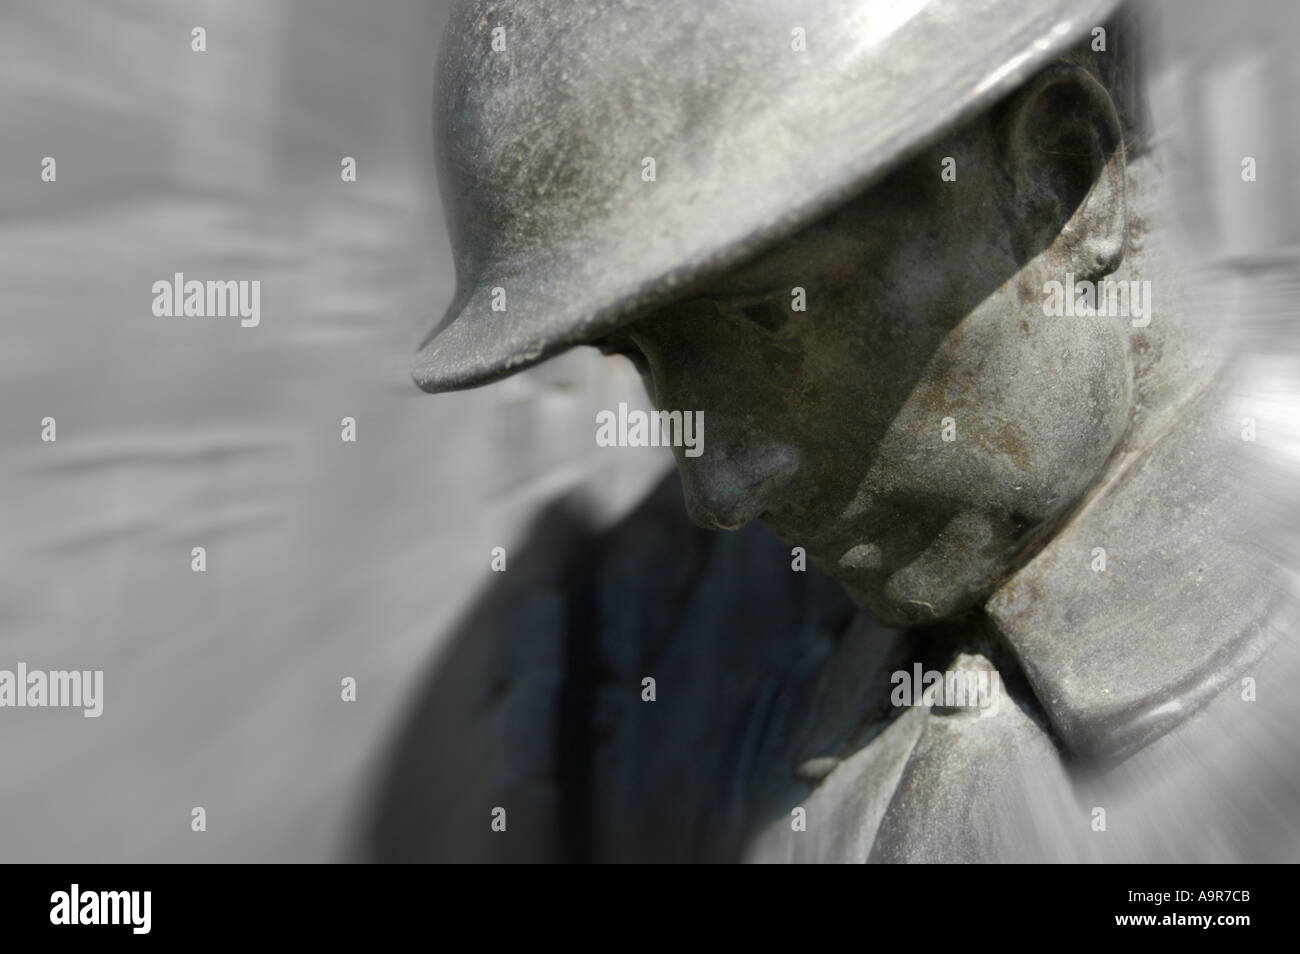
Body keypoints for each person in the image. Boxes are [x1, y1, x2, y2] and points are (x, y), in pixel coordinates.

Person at [386, 0, 1299, 862]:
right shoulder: (675, 650)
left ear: (1066, 181)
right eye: (637, 356)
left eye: (767, 319)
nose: (720, 489)